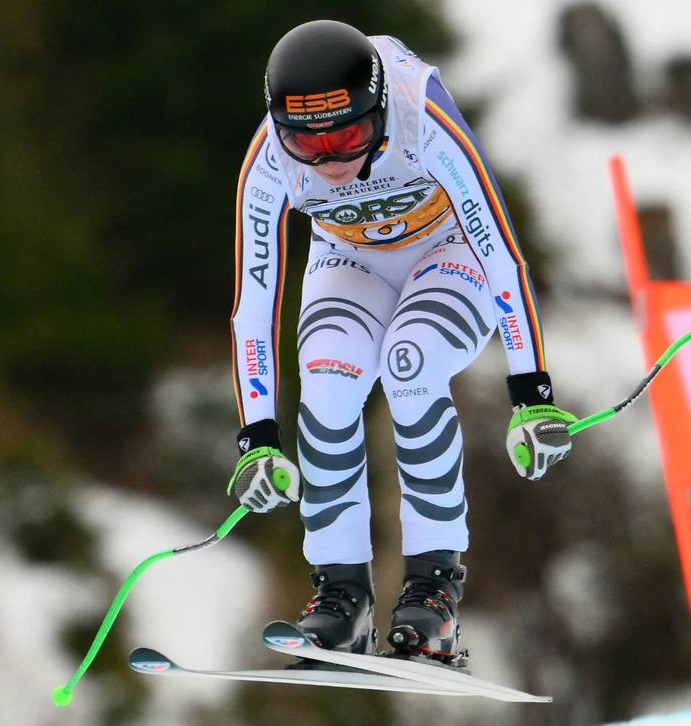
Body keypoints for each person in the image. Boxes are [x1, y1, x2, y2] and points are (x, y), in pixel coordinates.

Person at [228, 19, 574, 664]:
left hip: (451, 251)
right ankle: (341, 599)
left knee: (409, 364)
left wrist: (532, 395)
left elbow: (503, 255)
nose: (329, 159)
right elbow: (255, 304)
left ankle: (433, 593)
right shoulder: (269, 159)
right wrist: (258, 439)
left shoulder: (423, 117)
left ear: (380, 109)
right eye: (308, 143)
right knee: (327, 386)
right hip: (350, 258)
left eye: (348, 135)